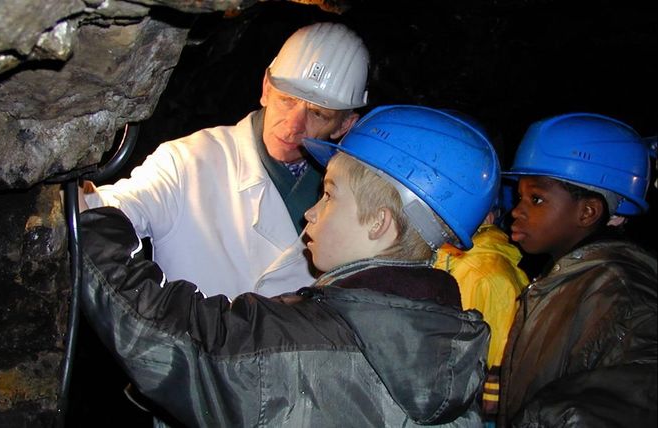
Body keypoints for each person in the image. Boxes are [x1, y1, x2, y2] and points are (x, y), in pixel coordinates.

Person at [77, 105, 502, 426]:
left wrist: (90, 226)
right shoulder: (452, 352)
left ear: (379, 223)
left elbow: (177, 338)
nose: (310, 214)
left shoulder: (311, 346)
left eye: (331, 193)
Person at [79, 22, 369, 298]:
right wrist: (76, 198)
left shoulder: (359, 200)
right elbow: (110, 210)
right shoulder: (189, 162)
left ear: (345, 125)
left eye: (318, 114)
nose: (293, 126)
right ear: (266, 88)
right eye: (287, 100)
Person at [497, 112, 658, 427]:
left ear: (587, 211)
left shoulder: (620, 288)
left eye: (537, 199)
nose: (516, 210)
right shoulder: (570, 276)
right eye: (520, 196)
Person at [434, 189, 528, 426]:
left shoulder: (485, 273)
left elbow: (496, 365)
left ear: (487, 217)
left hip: (473, 410)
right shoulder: (451, 257)